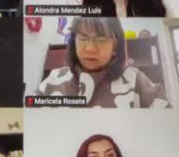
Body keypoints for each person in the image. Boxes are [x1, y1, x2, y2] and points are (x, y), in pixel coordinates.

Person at [37, 16, 168, 108]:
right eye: (83, 39)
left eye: (101, 40)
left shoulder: (135, 79)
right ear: (74, 42)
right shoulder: (54, 78)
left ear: (115, 47)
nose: (90, 48)